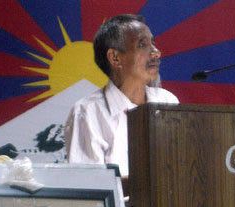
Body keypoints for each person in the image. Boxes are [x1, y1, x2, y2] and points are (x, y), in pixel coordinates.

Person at [64, 14, 179, 193]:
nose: (156, 52)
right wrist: (152, 184)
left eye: (153, 43)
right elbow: (88, 187)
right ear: (115, 58)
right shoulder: (88, 111)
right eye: (143, 45)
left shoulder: (167, 101)